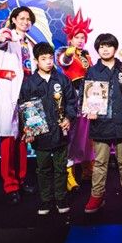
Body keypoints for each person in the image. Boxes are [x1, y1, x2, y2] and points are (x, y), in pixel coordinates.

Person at [82, 33, 122, 213]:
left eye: (108, 46)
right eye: (101, 46)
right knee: (100, 163)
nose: (105, 49)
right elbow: (84, 96)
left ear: (115, 48)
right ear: (97, 49)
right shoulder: (92, 72)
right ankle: (96, 196)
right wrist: (88, 109)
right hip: (100, 125)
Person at [18, 42, 77, 215]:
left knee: (60, 167)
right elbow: (24, 107)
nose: (49, 62)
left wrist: (69, 118)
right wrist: (28, 130)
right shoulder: (29, 83)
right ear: (36, 61)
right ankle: (46, 200)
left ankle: (61, 198)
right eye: (44, 59)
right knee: (43, 169)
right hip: (41, 134)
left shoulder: (62, 79)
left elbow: (71, 101)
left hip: (60, 132)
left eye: (50, 58)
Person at [0, 6, 37, 205]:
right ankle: (10, 185)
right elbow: (0, 38)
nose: (25, 22)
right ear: (14, 20)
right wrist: (5, 34)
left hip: (27, 93)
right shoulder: (9, 37)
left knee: (24, 138)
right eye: (22, 18)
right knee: (8, 139)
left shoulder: (30, 43)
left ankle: (22, 179)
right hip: (9, 93)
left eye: (28, 19)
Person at [56, 9, 94, 191]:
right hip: (72, 97)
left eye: (82, 37)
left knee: (87, 134)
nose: (80, 40)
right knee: (70, 135)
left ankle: (87, 167)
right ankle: (68, 173)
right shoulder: (64, 52)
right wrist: (69, 53)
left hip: (89, 97)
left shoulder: (86, 54)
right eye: (76, 37)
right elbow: (64, 61)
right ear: (70, 38)